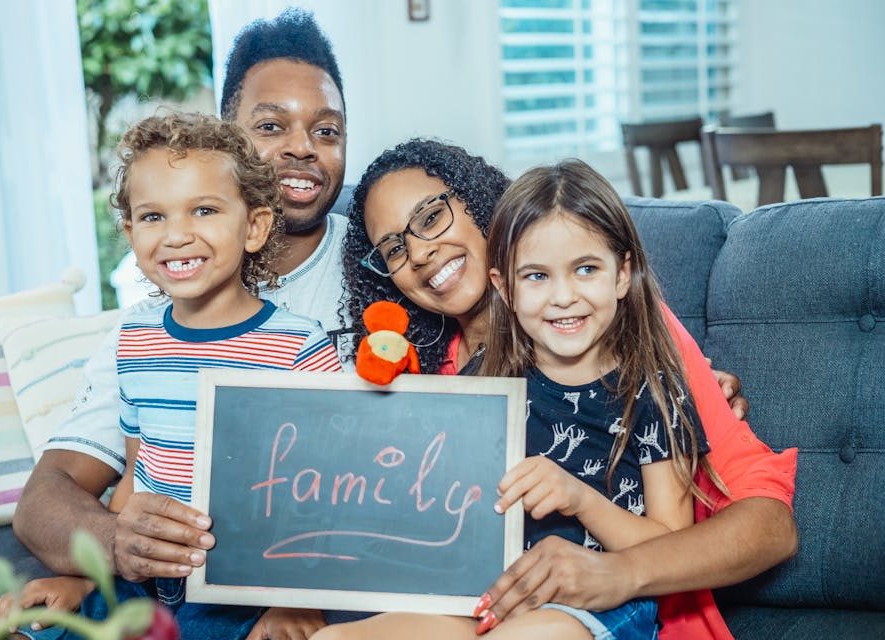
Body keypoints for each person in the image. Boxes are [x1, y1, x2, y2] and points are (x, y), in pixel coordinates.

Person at [11, 10, 754, 640]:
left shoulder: (555, 310)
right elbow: (63, 491)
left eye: (327, 128)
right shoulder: (154, 328)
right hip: (393, 581)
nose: (302, 147)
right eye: (271, 125)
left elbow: (730, 506)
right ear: (230, 141)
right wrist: (107, 563)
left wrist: (683, 395)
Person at [320, 139, 797, 640]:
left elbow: (760, 524)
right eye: (394, 248)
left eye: (431, 217)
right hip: (488, 595)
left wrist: (599, 540)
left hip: (600, 606)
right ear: (510, 285)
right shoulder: (448, 376)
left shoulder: (643, 363)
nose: (419, 252)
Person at [12, 10, 350, 639]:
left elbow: (327, 493)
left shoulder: (306, 337)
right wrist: (91, 568)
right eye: (272, 125)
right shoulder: (138, 337)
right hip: (148, 582)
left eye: (325, 129)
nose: (178, 235)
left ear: (252, 225)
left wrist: (294, 598)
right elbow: (126, 482)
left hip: (242, 585)